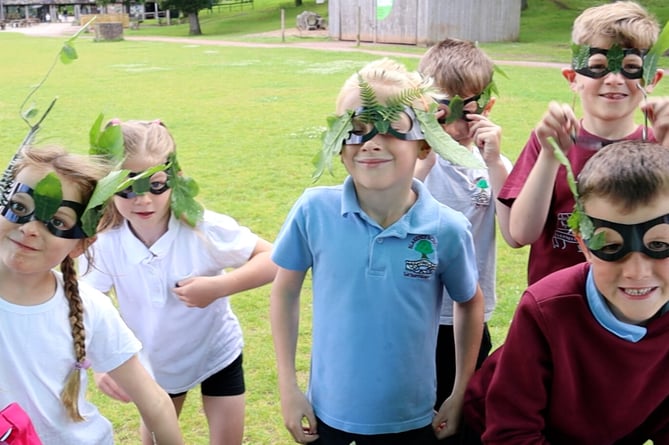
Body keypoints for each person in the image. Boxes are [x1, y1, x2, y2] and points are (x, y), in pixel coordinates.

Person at [270, 57, 485, 445]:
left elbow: (469, 302)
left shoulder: (447, 228)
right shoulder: (313, 211)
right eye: (355, 129)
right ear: (337, 143)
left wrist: (460, 391)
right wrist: (288, 386)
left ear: (424, 143)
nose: (371, 141)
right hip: (326, 416)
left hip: (412, 419)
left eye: (393, 127)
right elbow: (285, 291)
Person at [80, 119, 277, 445]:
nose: (143, 200)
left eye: (156, 185)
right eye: (127, 187)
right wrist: (101, 363)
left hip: (217, 353)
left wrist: (219, 288)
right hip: (155, 365)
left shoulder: (203, 228)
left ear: (176, 180)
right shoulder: (105, 244)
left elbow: (272, 258)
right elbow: (88, 305)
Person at [464, 140, 669, 443]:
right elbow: (511, 432)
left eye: (660, 245)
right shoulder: (546, 308)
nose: (636, 272)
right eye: (610, 246)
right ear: (584, 245)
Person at [0, 145, 184, 444]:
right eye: (19, 207)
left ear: (79, 246)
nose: (31, 228)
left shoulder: (89, 308)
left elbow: (155, 402)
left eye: (57, 222)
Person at [498, 0, 669, 285]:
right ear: (572, 78)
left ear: (652, 78)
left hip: (637, 302)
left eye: (631, 66)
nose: (614, 78)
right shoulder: (550, 141)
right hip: (557, 304)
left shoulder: (658, 144)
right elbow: (521, 234)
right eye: (597, 66)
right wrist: (551, 156)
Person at [414, 38, 516, 424]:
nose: (455, 126)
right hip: (412, 316)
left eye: (467, 113)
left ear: (486, 108)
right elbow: (399, 205)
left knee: (463, 418)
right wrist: (431, 145)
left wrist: (494, 163)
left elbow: (512, 232)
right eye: (443, 114)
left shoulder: (492, 164)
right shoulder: (415, 157)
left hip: (468, 321)